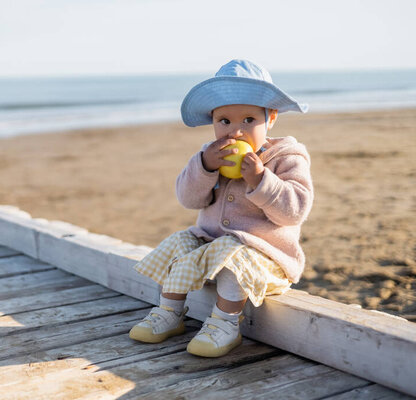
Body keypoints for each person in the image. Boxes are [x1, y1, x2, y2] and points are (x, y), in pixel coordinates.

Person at [128, 59, 314, 358]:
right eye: (224, 121)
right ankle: (169, 313)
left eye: (249, 121)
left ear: (272, 118)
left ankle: (225, 324)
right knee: (180, 241)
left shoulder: (287, 157)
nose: (235, 133)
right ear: (213, 120)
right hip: (210, 251)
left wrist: (260, 180)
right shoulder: (209, 155)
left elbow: (294, 212)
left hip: (263, 257)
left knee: (233, 251)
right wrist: (204, 167)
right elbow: (188, 200)